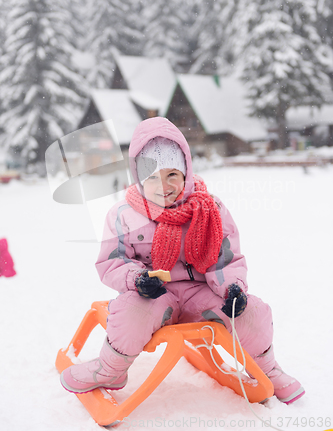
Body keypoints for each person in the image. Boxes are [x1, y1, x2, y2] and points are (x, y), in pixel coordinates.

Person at [60, 117, 304, 405]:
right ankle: (110, 370)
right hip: (155, 296)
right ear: (138, 177)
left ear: (186, 170)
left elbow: (226, 258)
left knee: (251, 311)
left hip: (202, 294)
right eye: (151, 177)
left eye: (172, 174)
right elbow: (113, 261)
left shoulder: (210, 208)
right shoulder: (123, 214)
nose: (163, 186)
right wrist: (137, 279)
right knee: (128, 312)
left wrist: (232, 288)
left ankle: (268, 370)